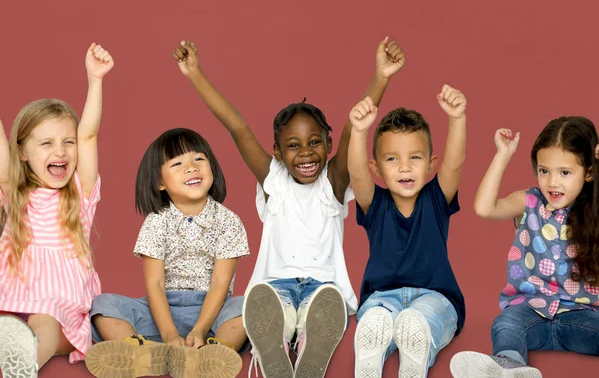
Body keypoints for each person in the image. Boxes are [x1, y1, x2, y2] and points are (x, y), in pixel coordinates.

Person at [173, 37, 405, 378]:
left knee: (321, 309)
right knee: (274, 312)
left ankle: (312, 346)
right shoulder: (274, 181)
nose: (306, 153)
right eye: (293, 146)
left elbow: (352, 127)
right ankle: (276, 348)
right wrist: (195, 73)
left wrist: (381, 77)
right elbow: (237, 126)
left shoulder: (333, 184)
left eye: (314, 143)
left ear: (327, 144)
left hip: (324, 290)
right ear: (278, 153)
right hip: (275, 286)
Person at [87, 128, 249, 378]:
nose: (192, 167)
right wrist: (169, 334)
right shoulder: (156, 222)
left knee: (247, 306)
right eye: (177, 163)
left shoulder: (229, 221)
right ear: (159, 183)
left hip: (213, 311)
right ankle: (139, 351)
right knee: (103, 304)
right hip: (162, 310)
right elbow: (155, 284)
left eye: (199, 159)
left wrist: (200, 329)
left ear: (212, 169)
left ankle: (216, 353)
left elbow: (220, 283)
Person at [450, 117, 599, 378]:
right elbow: (485, 207)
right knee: (505, 324)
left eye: (565, 172)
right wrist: (503, 155)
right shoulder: (530, 202)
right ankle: (510, 367)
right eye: (544, 170)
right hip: (532, 314)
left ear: (588, 172)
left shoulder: (595, 211)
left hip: (582, 318)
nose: (552, 182)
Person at [0, 43, 114, 376]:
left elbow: (89, 134)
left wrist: (95, 79)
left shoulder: (79, 193)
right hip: (9, 299)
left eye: (67, 141)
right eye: (46, 143)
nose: (60, 151)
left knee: (44, 325)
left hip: (56, 307)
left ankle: (20, 367)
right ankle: (12, 349)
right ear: (22, 153)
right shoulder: (14, 191)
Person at [349, 85, 467, 378]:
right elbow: (355, 173)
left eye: (415, 157)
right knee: (377, 317)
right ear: (376, 168)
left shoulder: (436, 199)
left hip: (435, 295)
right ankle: (370, 353)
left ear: (430, 164)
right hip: (381, 297)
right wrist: (358, 131)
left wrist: (458, 118)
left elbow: (455, 163)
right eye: (392, 159)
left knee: (424, 317)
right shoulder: (374, 203)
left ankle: (416, 351)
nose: (405, 166)